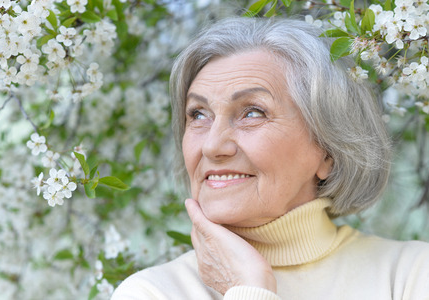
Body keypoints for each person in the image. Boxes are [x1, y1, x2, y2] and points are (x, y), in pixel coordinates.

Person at [111, 17, 429, 299]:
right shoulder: (152, 292)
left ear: (329, 150)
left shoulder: (411, 276)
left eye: (253, 112)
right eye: (198, 114)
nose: (212, 146)